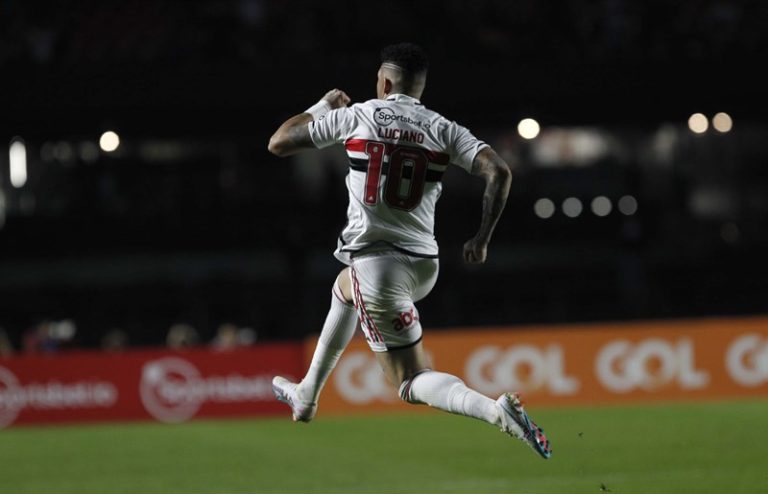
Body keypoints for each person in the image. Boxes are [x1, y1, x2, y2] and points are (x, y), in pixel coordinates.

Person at [268, 42, 551, 459]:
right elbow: (499, 171)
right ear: (420, 87)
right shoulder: (442, 127)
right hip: (423, 265)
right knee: (344, 287)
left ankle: (495, 412)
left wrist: (324, 104)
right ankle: (307, 394)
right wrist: (482, 237)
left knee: (410, 381)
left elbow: (279, 142)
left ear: (383, 81)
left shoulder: (358, 115)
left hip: (377, 266)